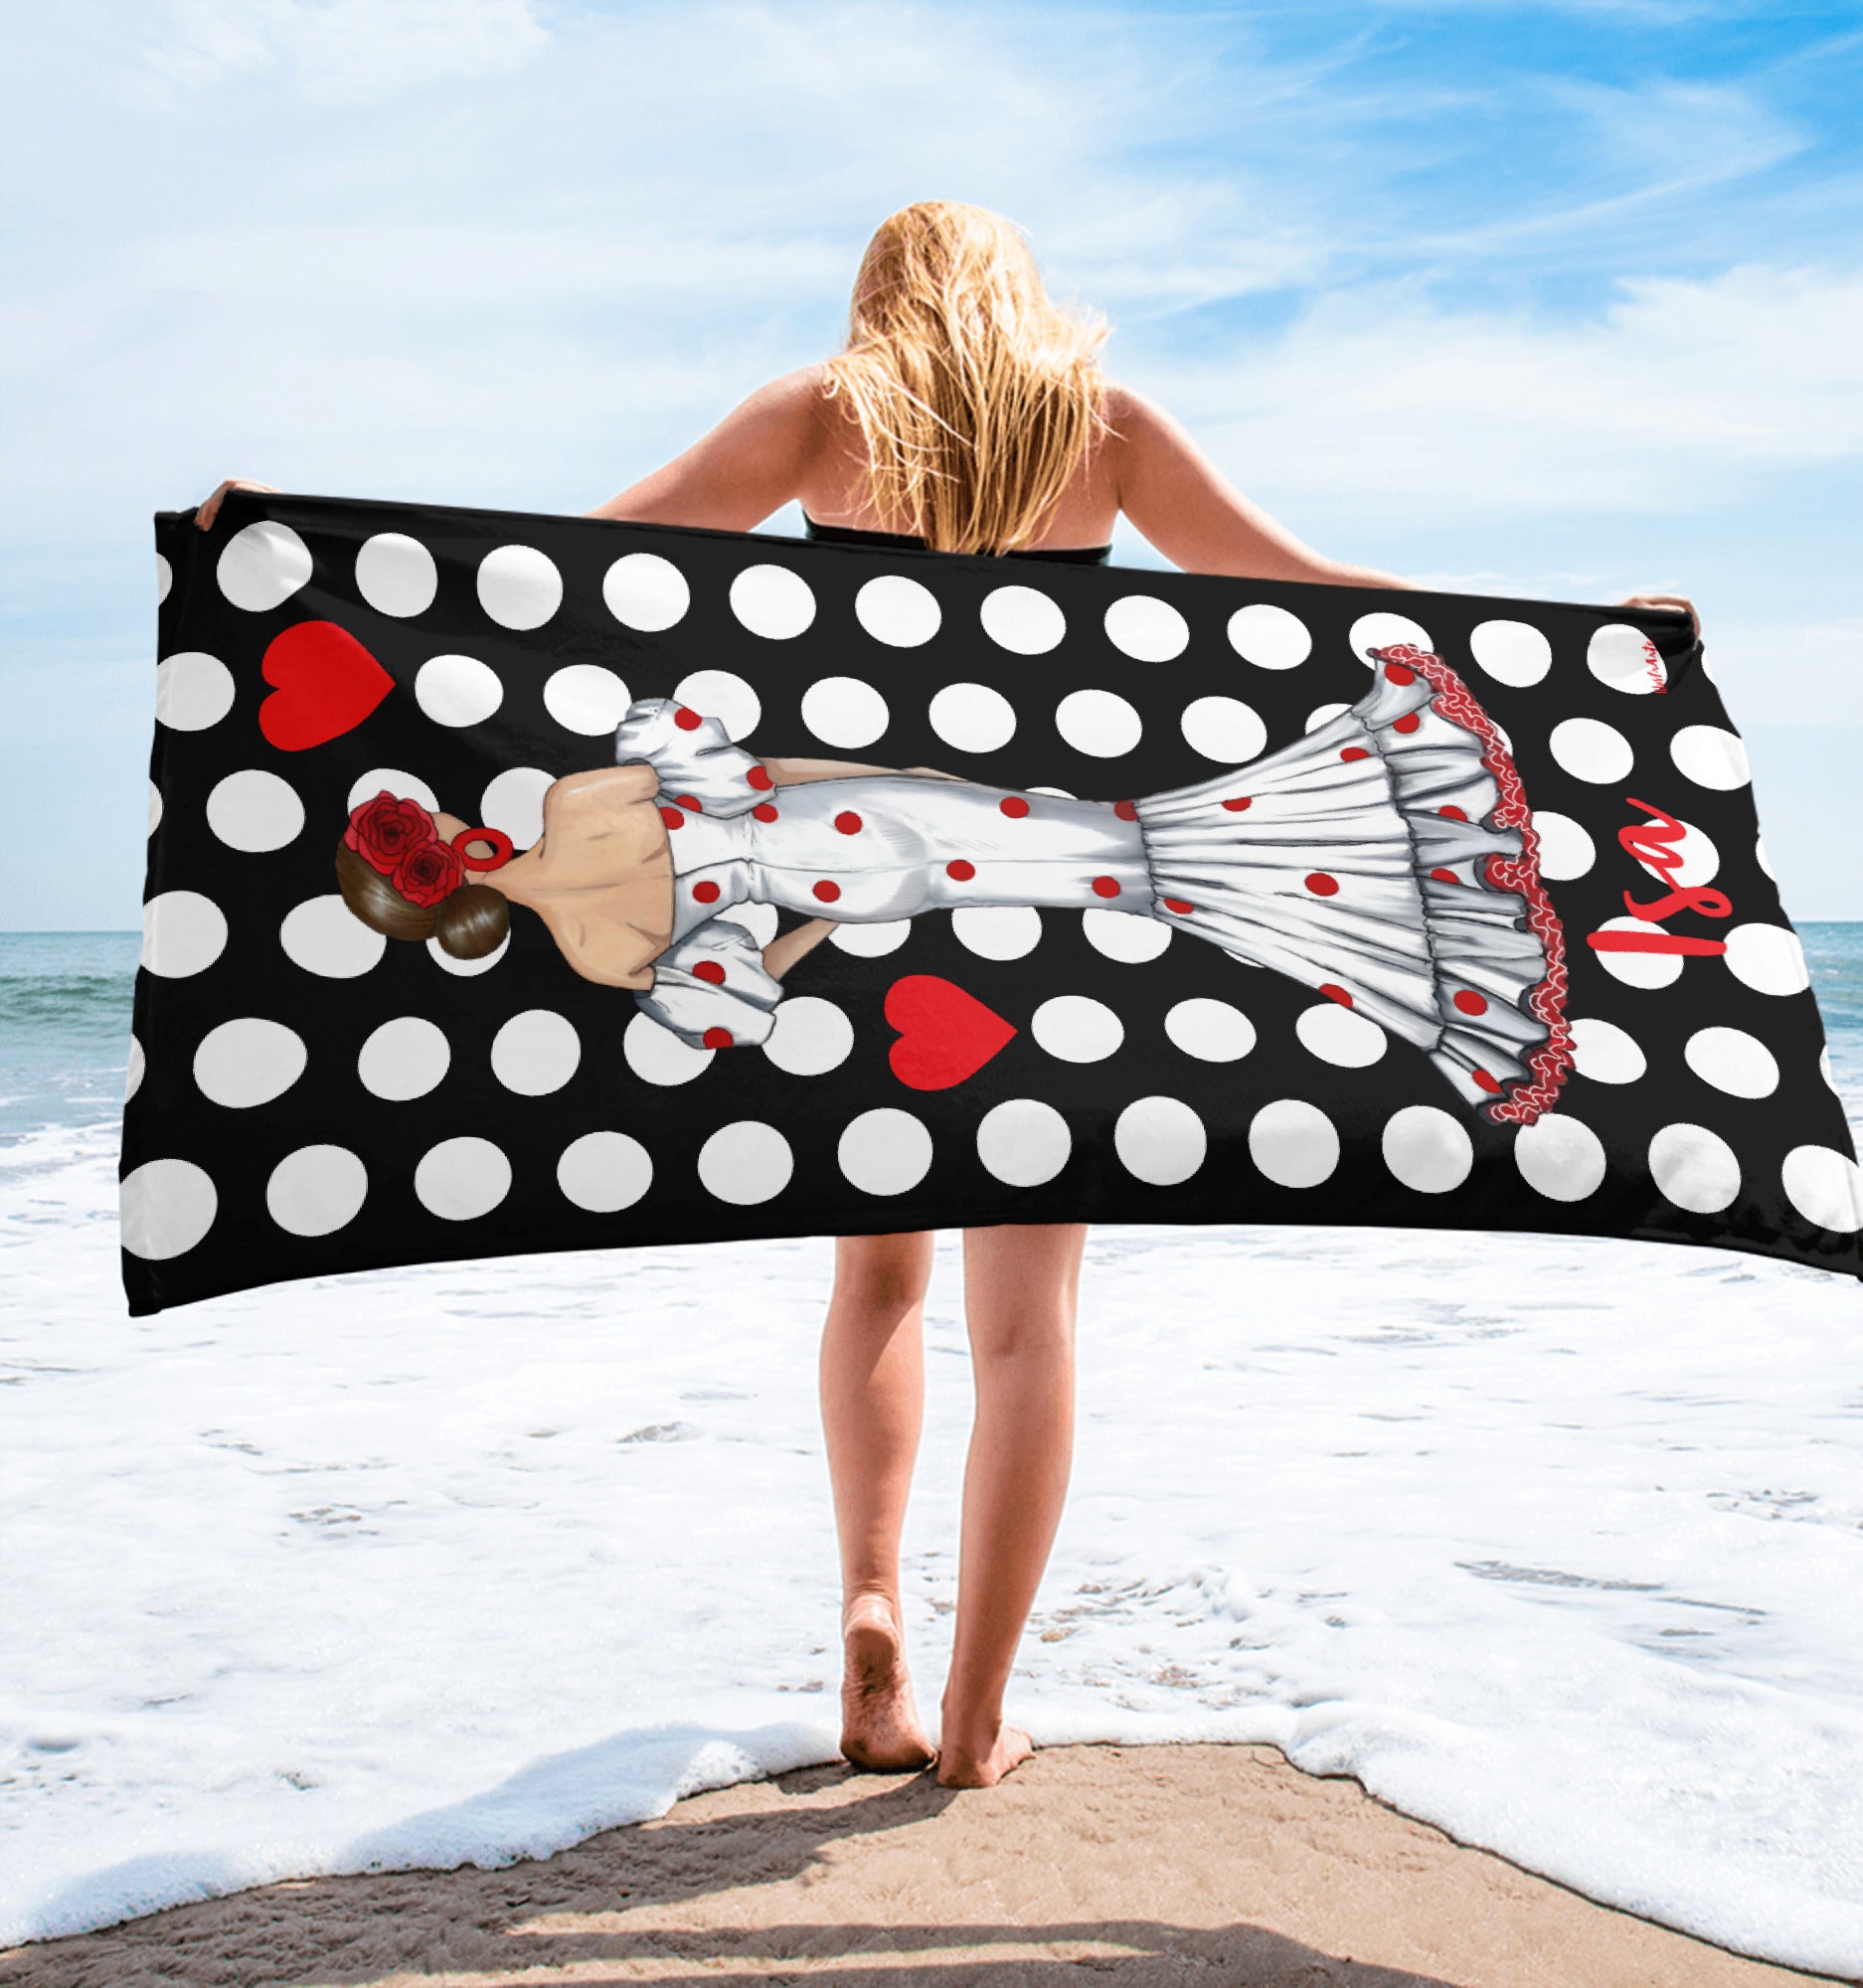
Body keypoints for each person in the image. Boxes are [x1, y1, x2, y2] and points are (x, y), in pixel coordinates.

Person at [197, 199, 1696, 1790]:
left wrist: (302, 551)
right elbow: (1312, 588)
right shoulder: (1101, 426)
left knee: (877, 1291)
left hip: (839, 905)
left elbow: (572, 566)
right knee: (1032, 1332)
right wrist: (1582, 636)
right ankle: (977, 1724)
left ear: (878, 297)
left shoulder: (819, 414)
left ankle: (868, 1612)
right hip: (1046, 912)